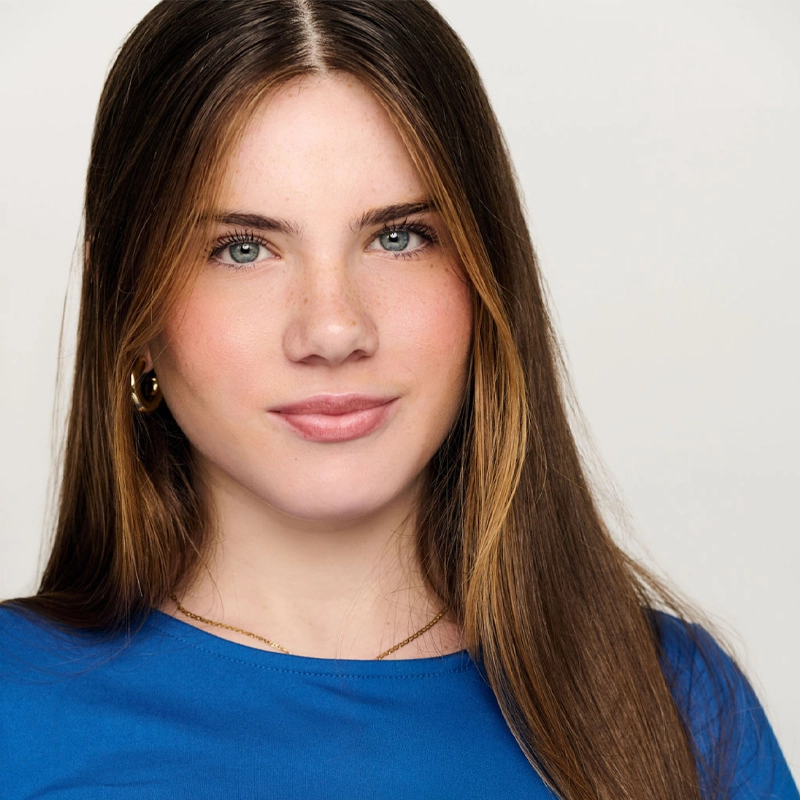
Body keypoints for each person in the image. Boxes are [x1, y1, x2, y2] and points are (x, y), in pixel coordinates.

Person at [0, 1, 796, 798]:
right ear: (132, 312)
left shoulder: (677, 705)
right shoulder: (16, 711)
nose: (334, 327)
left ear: (486, 280)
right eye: (242, 249)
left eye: (398, 236)